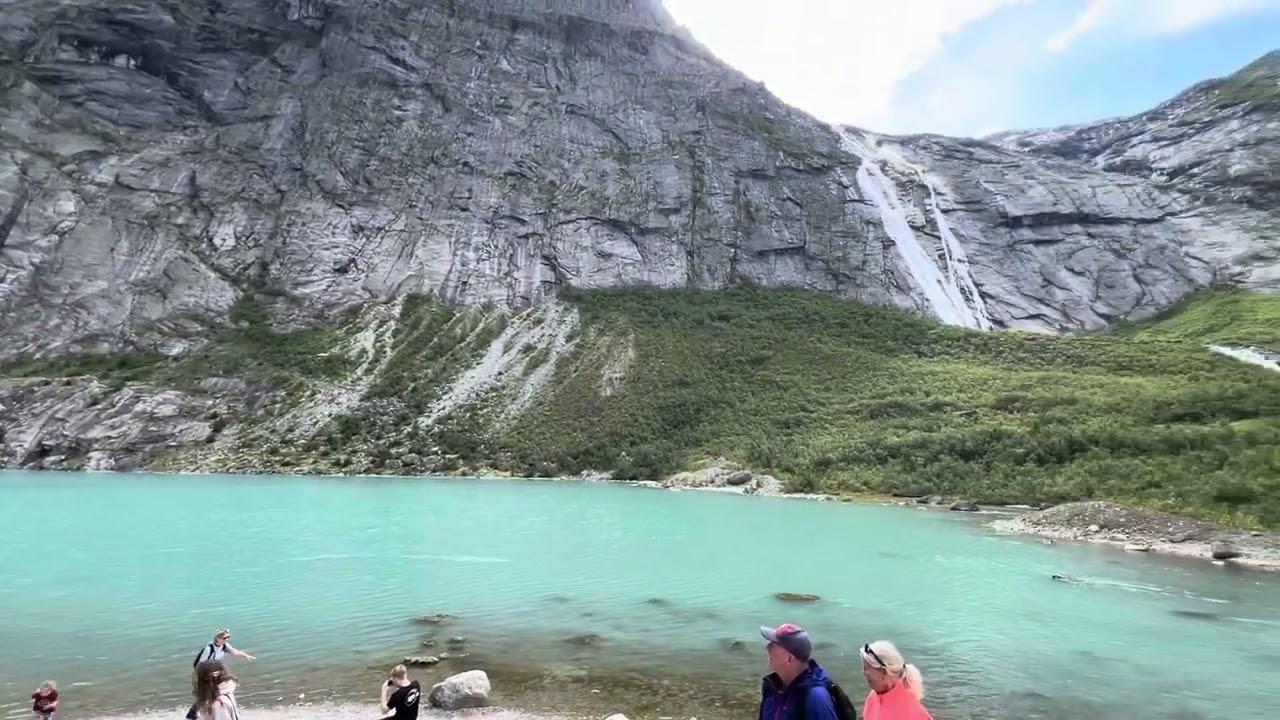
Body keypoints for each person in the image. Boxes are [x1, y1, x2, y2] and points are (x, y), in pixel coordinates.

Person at [758, 623, 855, 720]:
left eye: (773, 645)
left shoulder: (816, 697)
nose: (768, 648)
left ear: (789, 658)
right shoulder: (771, 687)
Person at [185, 629, 255, 719]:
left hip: (214, 675)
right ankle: (194, 714)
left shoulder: (224, 646)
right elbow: (201, 666)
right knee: (204, 693)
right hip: (203, 675)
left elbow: (234, 652)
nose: (226, 639)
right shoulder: (208, 649)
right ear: (217, 638)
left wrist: (246, 656)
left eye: (228, 637)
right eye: (224, 638)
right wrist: (200, 679)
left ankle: (199, 713)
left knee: (213, 693)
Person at [858, 641, 932, 720]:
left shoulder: (905, 709)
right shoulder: (874, 695)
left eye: (866, 669)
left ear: (883, 672)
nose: (864, 673)